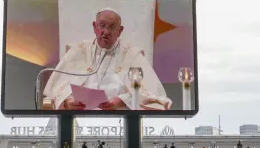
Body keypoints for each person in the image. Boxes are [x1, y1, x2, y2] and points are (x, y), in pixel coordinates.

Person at [41, 8, 171, 111]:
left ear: (120, 31)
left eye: (112, 27)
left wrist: (122, 101)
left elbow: (152, 96)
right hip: (79, 120)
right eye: (102, 26)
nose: (106, 31)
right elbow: (56, 91)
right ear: (94, 27)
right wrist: (67, 102)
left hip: (119, 122)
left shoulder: (132, 56)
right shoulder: (78, 52)